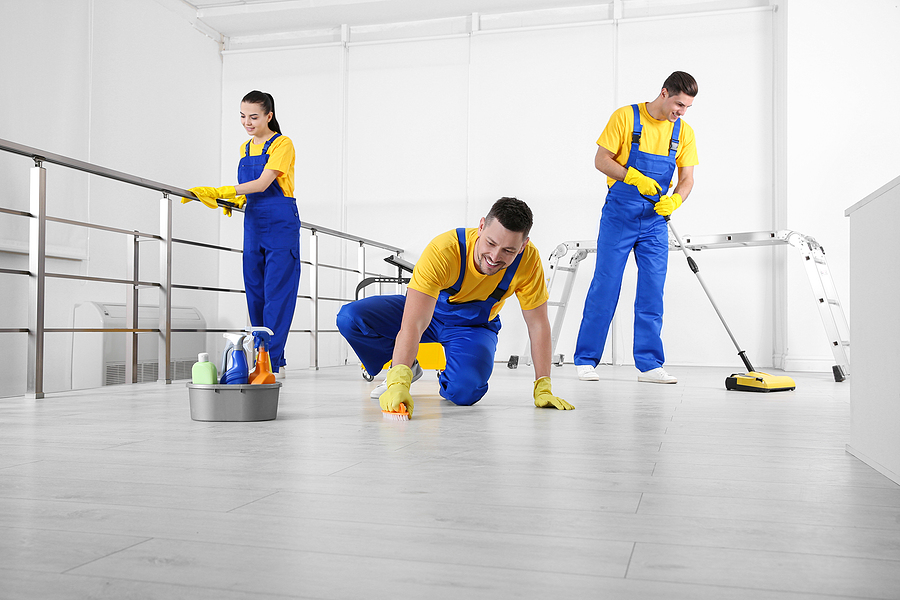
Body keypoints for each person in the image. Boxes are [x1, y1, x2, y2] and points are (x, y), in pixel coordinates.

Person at [337, 197, 573, 417]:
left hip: (473, 327)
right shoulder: (444, 251)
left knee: (465, 392)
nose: (494, 256)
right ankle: (406, 366)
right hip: (427, 313)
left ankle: (451, 376)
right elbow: (413, 323)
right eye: (490, 243)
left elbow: (538, 325)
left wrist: (543, 385)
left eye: (508, 250)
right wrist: (399, 379)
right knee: (352, 318)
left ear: (523, 246)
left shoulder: (528, 261)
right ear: (481, 226)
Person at [574, 71, 699, 384]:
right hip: (620, 214)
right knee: (606, 285)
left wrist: (675, 202)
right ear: (664, 92)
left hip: (656, 219)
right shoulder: (626, 117)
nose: (681, 112)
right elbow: (601, 160)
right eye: (679, 104)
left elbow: (686, 180)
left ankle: (649, 364)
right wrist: (632, 176)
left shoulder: (683, 132)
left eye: (686, 108)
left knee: (652, 292)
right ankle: (586, 360)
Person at [184, 90, 300, 376]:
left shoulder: (282, 144)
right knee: (255, 293)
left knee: (277, 293)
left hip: (280, 222)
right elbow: (252, 191)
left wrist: (224, 191)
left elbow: (262, 184)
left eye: (254, 116)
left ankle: (270, 361)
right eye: (242, 116)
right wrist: (235, 200)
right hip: (254, 224)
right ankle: (262, 357)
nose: (247, 122)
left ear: (269, 116)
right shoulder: (245, 149)